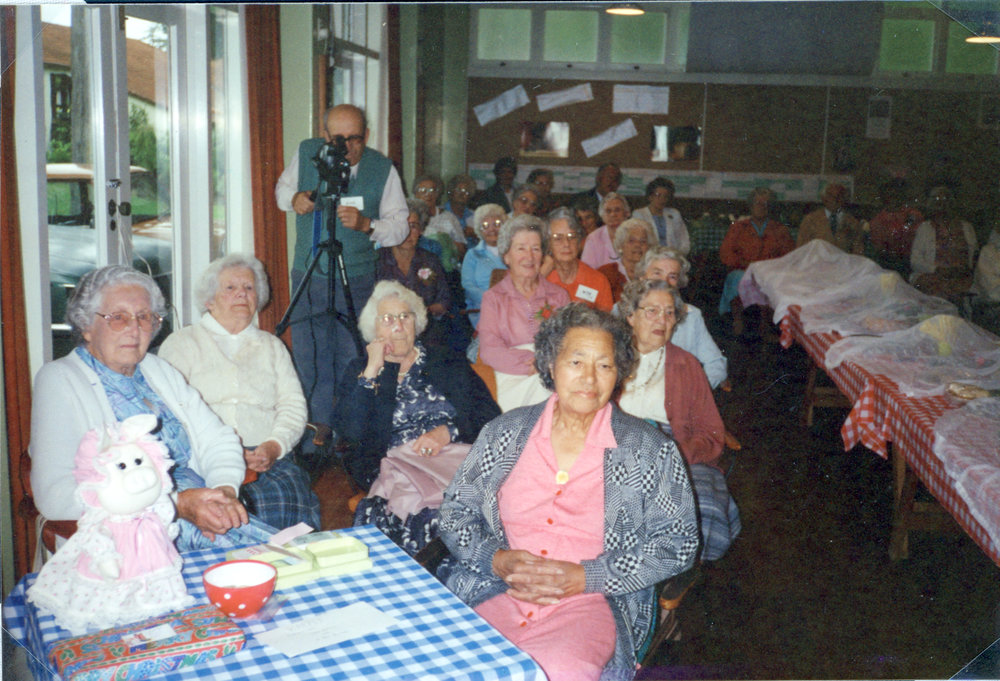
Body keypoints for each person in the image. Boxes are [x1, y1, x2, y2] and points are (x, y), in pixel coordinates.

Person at [439, 303, 699, 681]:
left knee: (559, 671)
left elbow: (678, 542)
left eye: (605, 365)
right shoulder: (504, 432)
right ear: (550, 365)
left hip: (595, 603)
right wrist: (494, 559)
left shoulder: (650, 449)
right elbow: (455, 511)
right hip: (495, 589)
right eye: (576, 362)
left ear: (619, 373)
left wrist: (587, 577)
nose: (589, 378)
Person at [30, 265, 273, 552]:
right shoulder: (59, 380)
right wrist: (176, 505)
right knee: (271, 563)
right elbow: (55, 496)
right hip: (128, 542)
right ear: (86, 326)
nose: (134, 329)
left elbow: (217, 438)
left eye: (144, 317)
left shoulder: (157, 370)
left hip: (203, 511)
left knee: (285, 559)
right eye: (117, 318)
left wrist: (223, 491)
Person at [332, 281, 500, 555]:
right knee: (416, 516)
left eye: (404, 317)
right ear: (373, 328)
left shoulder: (446, 360)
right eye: (387, 319)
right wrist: (372, 369)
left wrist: (448, 431)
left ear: (417, 322)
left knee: (471, 510)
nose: (397, 326)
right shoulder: (360, 370)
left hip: (455, 458)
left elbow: (490, 415)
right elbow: (349, 431)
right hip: (396, 466)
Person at [158, 254, 320, 531]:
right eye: (230, 288)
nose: (241, 295)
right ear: (209, 300)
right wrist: (222, 455)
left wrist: (274, 445)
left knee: (285, 505)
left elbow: (293, 406)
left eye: (248, 288)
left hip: (266, 458)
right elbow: (170, 413)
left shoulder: (272, 346)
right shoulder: (182, 344)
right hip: (203, 459)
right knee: (216, 514)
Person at [274, 104, 408, 439]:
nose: (346, 147)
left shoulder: (382, 168)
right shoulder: (307, 153)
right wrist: (295, 199)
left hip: (358, 277)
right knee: (310, 356)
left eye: (355, 139)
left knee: (353, 356)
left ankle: (348, 436)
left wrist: (367, 225)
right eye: (338, 139)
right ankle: (312, 435)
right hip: (309, 272)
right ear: (324, 136)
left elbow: (400, 227)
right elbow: (280, 191)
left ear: (367, 135)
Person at [618, 279, 741, 564]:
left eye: (669, 312)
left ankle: (676, 575)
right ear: (630, 315)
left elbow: (709, 431)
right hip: (616, 447)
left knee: (701, 508)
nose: (662, 319)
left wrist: (675, 453)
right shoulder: (610, 356)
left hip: (675, 448)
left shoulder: (687, 364)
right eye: (652, 311)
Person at [478, 215, 571, 412]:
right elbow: (489, 349)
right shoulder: (493, 298)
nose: (529, 257)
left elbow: (569, 342)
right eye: (521, 248)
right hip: (510, 376)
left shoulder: (559, 296)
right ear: (506, 256)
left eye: (535, 249)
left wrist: (546, 364)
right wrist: (532, 363)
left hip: (552, 372)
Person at [637, 246, 728, 390]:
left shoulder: (691, 316)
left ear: (679, 283)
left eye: (672, 276)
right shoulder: (624, 311)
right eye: (657, 273)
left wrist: (693, 393)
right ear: (642, 276)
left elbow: (716, 364)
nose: (664, 282)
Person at [719, 187, 795, 335]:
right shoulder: (738, 227)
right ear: (751, 205)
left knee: (773, 282)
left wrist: (769, 268)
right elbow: (725, 253)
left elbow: (789, 257)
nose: (761, 207)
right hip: (742, 270)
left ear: (771, 207)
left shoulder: (780, 229)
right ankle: (737, 319)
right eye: (757, 203)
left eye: (766, 204)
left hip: (770, 272)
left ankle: (765, 324)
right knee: (737, 279)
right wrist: (746, 266)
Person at [909, 184, 978, 303]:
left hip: (960, 277)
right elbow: (915, 261)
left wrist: (961, 271)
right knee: (936, 289)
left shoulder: (967, 228)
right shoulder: (925, 228)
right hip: (932, 275)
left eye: (946, 200)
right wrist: (937, 270)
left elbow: (974, 258)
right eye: (936, 200)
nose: (942, 205)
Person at [544, 207, 614, 312]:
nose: (566, 244)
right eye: (558, 238)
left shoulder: (597, 280)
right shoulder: (542, 277)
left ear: (579, 241)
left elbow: (606, 325)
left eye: (572, 236)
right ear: (548, 244)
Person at [461, 203, 507, 328]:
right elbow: (468, 286)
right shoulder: (472, 255)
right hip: (482, 310)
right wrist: (491, 300)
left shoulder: (512, 252)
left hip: (512, 308)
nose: (492, 229)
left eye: (497, 224)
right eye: (485, 226)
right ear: (479, 230)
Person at [867, 178, 923, 276]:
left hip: (910, 261)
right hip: (886, 262)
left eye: (896, 194)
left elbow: (915, 239)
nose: (892, 197)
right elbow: (878, 246)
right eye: (889, 194)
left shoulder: (913, 215)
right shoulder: (877, 220)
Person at [598, 217, 656, 302]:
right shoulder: (606, 273)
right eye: (631, 241)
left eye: (643, 241)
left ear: (649, 247)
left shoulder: (654, 274)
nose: (637, 245)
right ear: (621, 245)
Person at [796, 183, 864, 254]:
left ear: (845, 199)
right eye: (831, 196)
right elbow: (801, 249)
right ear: (823, 198)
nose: (835, 200)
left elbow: (858, 250)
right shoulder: (810, 220)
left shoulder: (852, 222)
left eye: (839, 196)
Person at [415, 173, 467, 261]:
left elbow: (462, 249)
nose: (428, 194)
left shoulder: (449, 217)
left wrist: (447, 242)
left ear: (437, 194)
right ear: (416, 194)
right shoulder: (410, 217)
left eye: (432, 190)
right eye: (423, 190)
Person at [632, 177, 690, 253]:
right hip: (648, 257)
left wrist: (678, 256)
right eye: (658, 195)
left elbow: (684, 240)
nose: (662, 199)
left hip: (673, 257)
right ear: (650, 196)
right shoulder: (639, 214)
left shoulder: (674, 214)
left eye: (665, 196)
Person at [580, 192, 631, 270]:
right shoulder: (593, 239)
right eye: (608, 211)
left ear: (627, 213)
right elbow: (587, 271)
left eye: (617, 210)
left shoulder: (637, 234)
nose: (613, 214)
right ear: (602, 216)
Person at [443, 173, 478, 242]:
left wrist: (475, 234)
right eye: (458, 190)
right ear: (451, 192)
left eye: (466, 191)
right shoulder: (441, 213)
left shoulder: (475, 216)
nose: (461, 194)